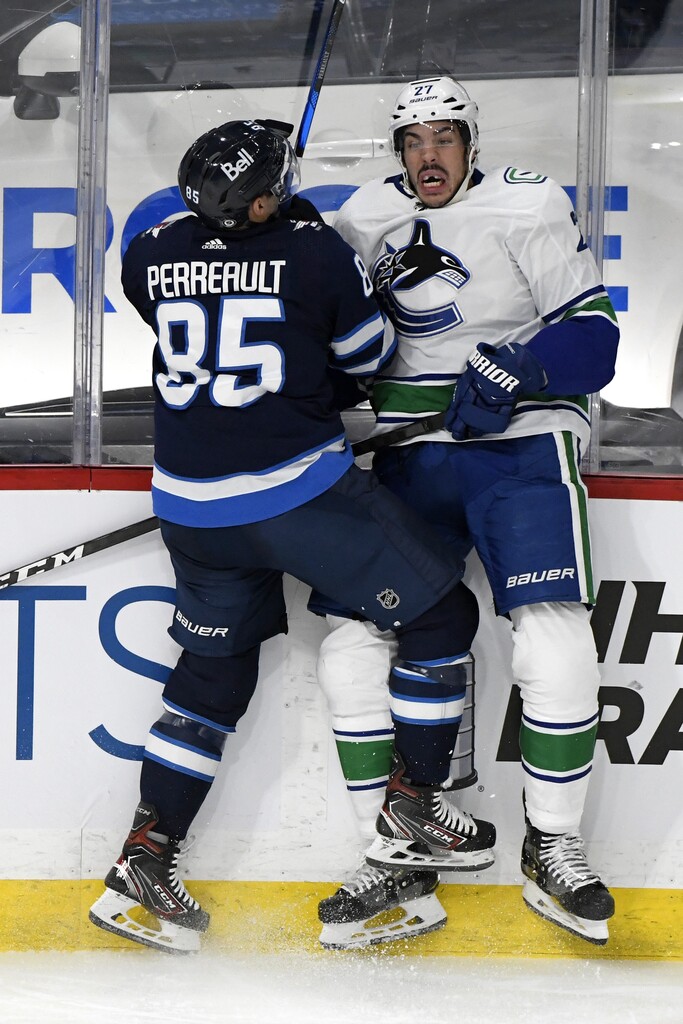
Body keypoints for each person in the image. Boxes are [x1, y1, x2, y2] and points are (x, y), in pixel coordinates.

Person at [87, 118, 495, 955]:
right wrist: (304, 238)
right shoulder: (314, 252)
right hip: (298, 497)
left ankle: (146, 855)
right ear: (267, 196)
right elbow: (368, 352)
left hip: (192, 512)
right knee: (442, 618)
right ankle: (414, 802)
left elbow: (182, 280)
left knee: (208, 681)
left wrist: (254, 233)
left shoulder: (151, 251)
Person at [314, 76, 619, 946]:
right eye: (413, 143)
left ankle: (552, 850)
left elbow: (593, 338)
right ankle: (396, 857)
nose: (428, 156)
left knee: (554, 639)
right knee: (350, 651)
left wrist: (521, 370)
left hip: (518, 446)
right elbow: (335, 340)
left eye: (444, 138)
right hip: (408, 451)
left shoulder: (528, 205)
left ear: (470, 143)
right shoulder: (361, 216)